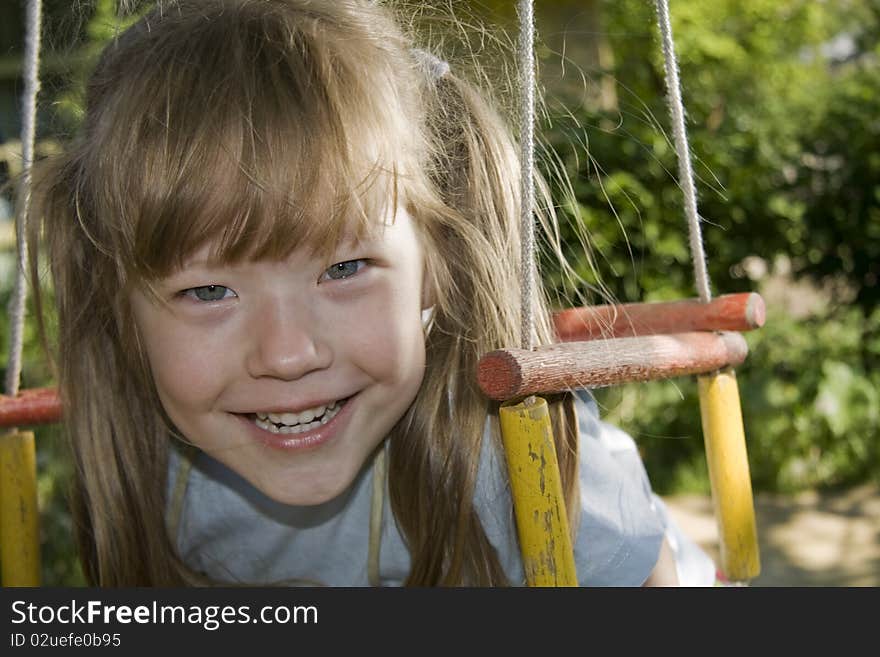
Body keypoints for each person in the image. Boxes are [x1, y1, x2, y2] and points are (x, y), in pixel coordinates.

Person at [29, 0, 716, 586]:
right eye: (208, 289)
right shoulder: (165, 477)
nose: (288, 353)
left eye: (343, 269)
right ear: (117, 305)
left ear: (435, 266)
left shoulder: (505, 461)